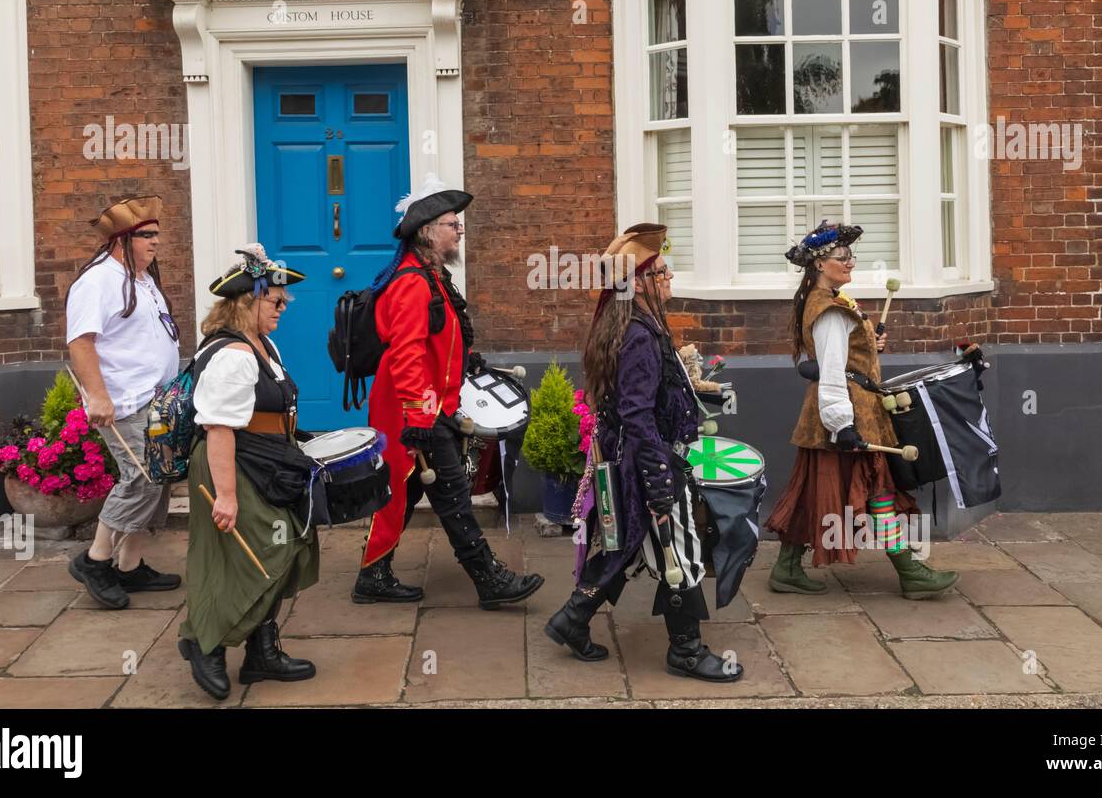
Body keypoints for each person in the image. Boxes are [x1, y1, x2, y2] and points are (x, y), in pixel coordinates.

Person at [545, 224, 742, 683]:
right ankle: (687, 651)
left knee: (630, 547)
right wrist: (658, 482)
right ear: (639, 282)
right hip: (644, 460)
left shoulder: (639, 325)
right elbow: (636, 416)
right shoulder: (638, 336)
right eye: (663, 271)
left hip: (634, 456)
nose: (670, 277)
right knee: (680, 549)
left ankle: (572, 620)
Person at [353, 174, 543, 609]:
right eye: (451, 224)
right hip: (410, 409)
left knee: (403, 490)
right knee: (452, 492)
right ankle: (489, 579)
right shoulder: (410, 283)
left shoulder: (431, 276)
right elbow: (407, 357)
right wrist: (421, 422)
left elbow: (442, 338)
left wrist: (466, 363)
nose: (459, 230)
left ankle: (373, 575)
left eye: (458, 224)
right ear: (426, 231)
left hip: (427, 405)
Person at [764, 222, 959, 599]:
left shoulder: (827, 301)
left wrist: (870, 344)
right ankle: (909, 570)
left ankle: (786, 567)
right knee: (876, 488)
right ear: (820, 264)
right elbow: (833, 370)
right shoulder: (831, 310)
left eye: (851, 256)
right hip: (847, 415)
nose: (850, 262)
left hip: (852, 411)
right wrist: (842, 424)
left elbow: (837, 359)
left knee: (816, 491)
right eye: (842, 257)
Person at [176, 244, 320, 700]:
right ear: (246, 302)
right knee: (240, 558)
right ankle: (204, 644)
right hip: (230, 465)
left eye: (284, 302)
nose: (283, 308)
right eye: (275, 301)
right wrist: (226, 496)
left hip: (262, 460)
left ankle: (262, 652)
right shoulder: (233, 354)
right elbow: (219, 428)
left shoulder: (263, 344)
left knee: (286, 547)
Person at [66, 195, 182, 609]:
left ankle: (129, 567)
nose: (156, 242)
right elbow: (81, 342)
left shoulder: (142, 278)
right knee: (141, 479)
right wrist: (97, 395)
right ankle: (95, 560)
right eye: (146, 235)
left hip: (158, 400)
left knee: (160, 479)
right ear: (121, 239)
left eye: (156, 234)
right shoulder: (97, 281)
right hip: (125, 402)